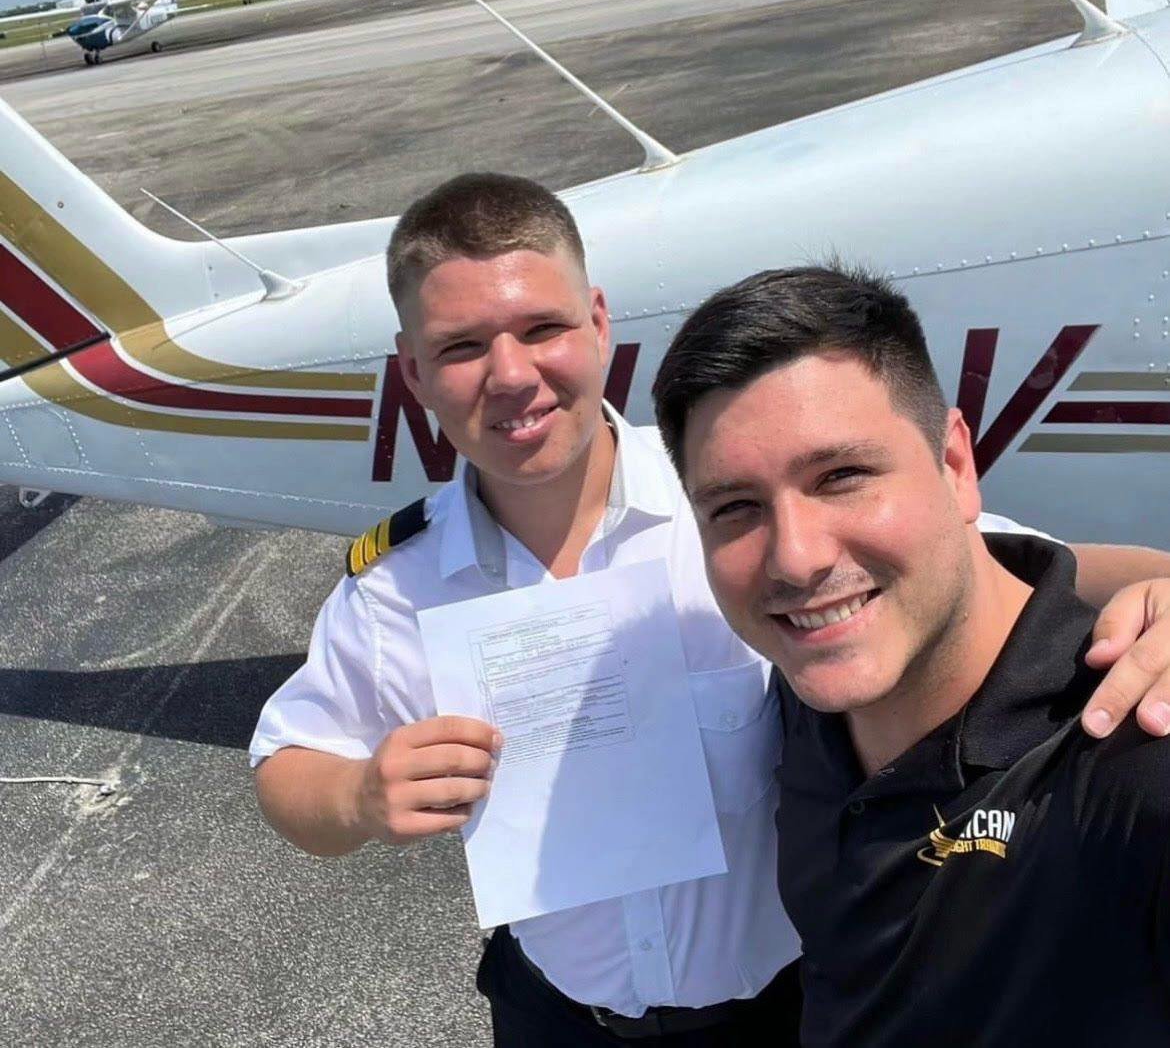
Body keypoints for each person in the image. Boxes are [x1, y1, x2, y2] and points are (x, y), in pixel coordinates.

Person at [251, 177, 1170, 1047]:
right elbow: (286, 763)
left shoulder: (739, 497)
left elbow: (995, 561)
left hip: (780, 1005)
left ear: (600, 322)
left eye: (543, 327)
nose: (512, 375)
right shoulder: (397, 588)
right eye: (461, 347)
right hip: (558, 1013)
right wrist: (360, 796)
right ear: (413, 372)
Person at [651, 264, 1170, 1047]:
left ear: (956, 464)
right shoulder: (806, 692)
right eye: (735, 507)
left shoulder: (1132, 757)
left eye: (842, 476)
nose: (794, 558)